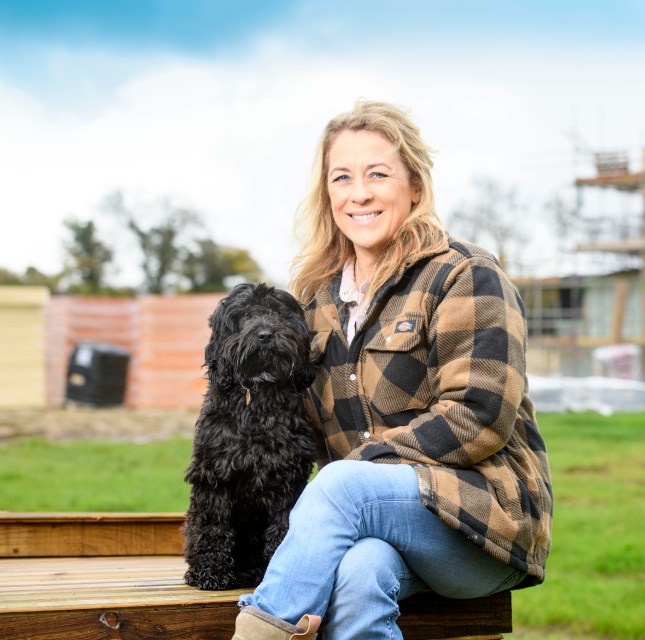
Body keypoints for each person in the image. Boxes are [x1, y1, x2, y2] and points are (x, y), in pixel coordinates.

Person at [233, 100, 552, 640]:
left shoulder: (464, 274)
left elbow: (481, 414)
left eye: (378, 174)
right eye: (343, 177)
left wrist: (362, 467)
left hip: (479, 521)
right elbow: (297, 428)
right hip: (375, 526)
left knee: (343, 486)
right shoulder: (315, 302)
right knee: (361, 572)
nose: (359, 193)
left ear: (415, 188)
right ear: (327, 192)